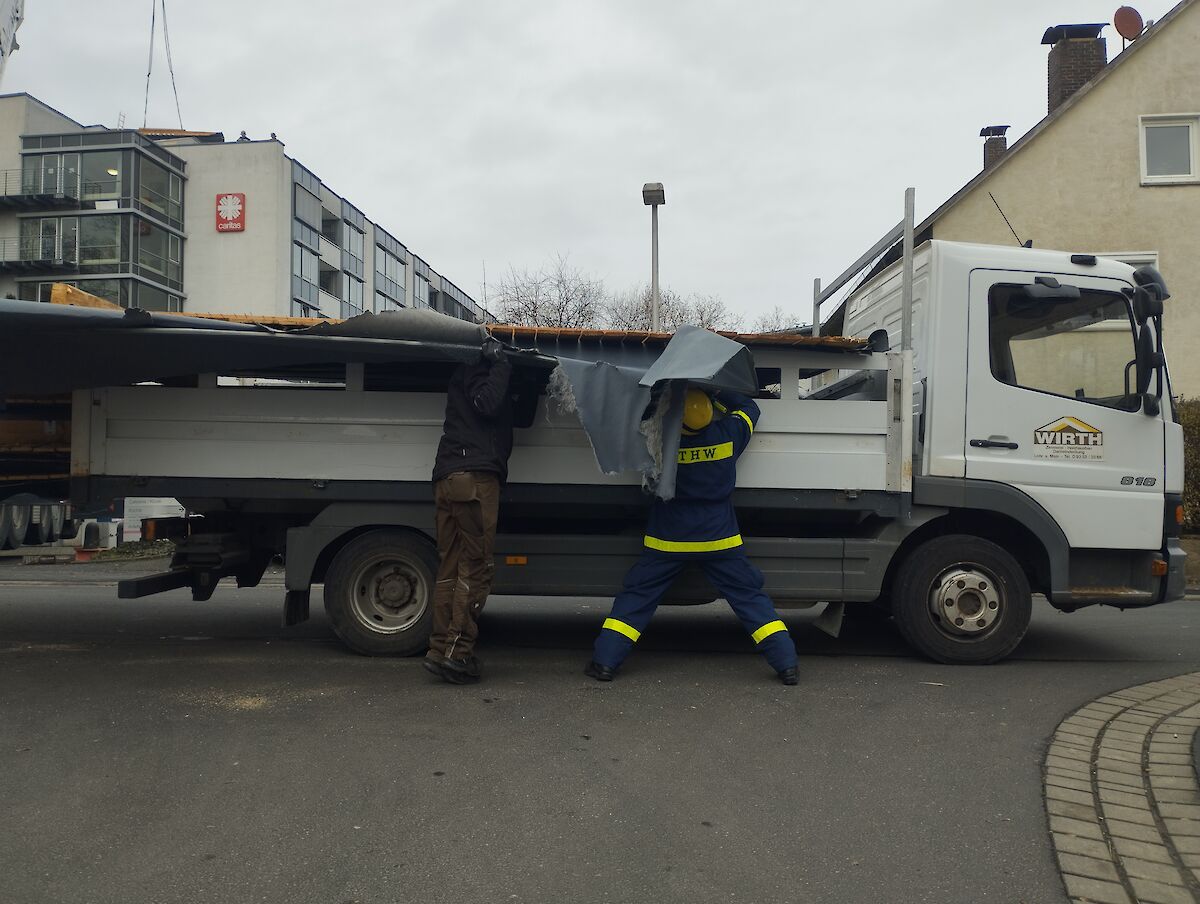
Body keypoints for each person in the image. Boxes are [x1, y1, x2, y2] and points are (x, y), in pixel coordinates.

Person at [585, 387, 799, 685]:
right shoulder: (729, 434)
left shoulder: (658, 442)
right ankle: (786, 664)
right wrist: (718, 391)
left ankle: (605, 662)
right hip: (720, 538)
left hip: (667, 539)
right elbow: (750, 408)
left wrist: (662, 395)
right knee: (750, 599)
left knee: (637, 599)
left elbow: (634, 416)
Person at [424, 336, 513, 684]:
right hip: (472, 478)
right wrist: (501, 364)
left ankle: (439, 649)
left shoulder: (470, 374)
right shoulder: (479, 365)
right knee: (475, 567)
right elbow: (486, 403)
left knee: (451, 566)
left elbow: (507, 412)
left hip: (449, 475)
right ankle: (457, 654)